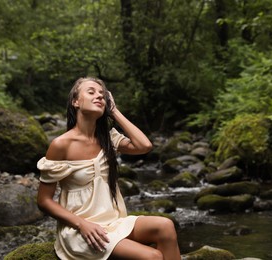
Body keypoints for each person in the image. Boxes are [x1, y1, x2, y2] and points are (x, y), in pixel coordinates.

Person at [37, 77, 181, 260]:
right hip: (82, 230)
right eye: (91, 92)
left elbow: (144, 146)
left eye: (102, 95)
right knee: (152, 256)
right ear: (75, 102)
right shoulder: (61, 144)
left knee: (166, 225)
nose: (99, 96)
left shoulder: (109, 139)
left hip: (114, 223)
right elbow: (44, 201)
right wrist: (82, 225)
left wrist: (114, 111)